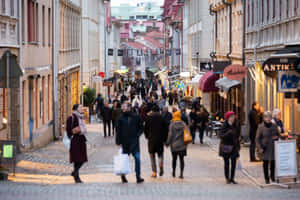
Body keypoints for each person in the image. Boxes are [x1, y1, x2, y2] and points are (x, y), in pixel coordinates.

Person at [116, 102, 144, 184]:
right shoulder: (120, 118)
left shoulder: (136, 116)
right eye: (122, 107)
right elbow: (118, 131)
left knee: (137, 159)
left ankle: (138, 176)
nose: (123, 108)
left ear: (129, 107)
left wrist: (137, 135)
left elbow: (141, 127)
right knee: (124, 160)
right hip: (125, 143)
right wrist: (118, 142)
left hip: (134, 142)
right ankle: (123, 176)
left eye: (124, 107)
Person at [256, 111, 281, 184]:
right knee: (265, 163)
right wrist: (259, 147)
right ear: (264, 118)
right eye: (266, 117)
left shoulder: (274, 126)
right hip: (265, 148)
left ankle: (272, 177)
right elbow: (257, 138)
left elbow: (278, 135)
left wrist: (277, 137)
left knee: (273, 162)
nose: (268, 119)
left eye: (269, 117)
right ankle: (266, 178)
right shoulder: (260, 126)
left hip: (273, 147)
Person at [144, 105, 168, 178]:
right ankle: (160, 164)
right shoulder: (162, 118)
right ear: (158, 111)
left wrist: (147, 136)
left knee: (152, 156)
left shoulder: (148, 118)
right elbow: (166, 129)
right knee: (160, 154)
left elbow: (145, 129)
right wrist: (164, 139)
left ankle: (154, 172)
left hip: (151, 140)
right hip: (160, 140)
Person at [66, 104, 88, 183]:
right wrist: (74, 131)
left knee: (82, 159)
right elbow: (68, 130)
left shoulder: (81, 117)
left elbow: (84, 129)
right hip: (75, 140)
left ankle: (75, 172)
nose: (82, 108)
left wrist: (81, 129)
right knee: (77, 159)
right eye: (80, 107)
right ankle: (76, 177)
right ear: (76, 109)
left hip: (81, 139)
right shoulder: (71, 118)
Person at [219, 111, 240, 184]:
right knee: (227, 163)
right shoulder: (224, 125)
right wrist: (228, 133)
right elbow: (221, 136)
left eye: (233, 117)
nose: (233, 118)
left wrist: (238, 146)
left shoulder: (236, 125)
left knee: (234, 163)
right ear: (228, 118)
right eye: (231, 117)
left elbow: (237, 136)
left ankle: (232, 178)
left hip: (234, 146)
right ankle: (227, 178)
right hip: (226, 146)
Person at [166, 111, 187, 179]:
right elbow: (187, 133)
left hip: (174, 145)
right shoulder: (183, 124)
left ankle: (174, 172)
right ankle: (181, 173)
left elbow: (170, 135)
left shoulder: (172, 125)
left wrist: (168, 143)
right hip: (182, 145)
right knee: (181, 159)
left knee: (174, 159)